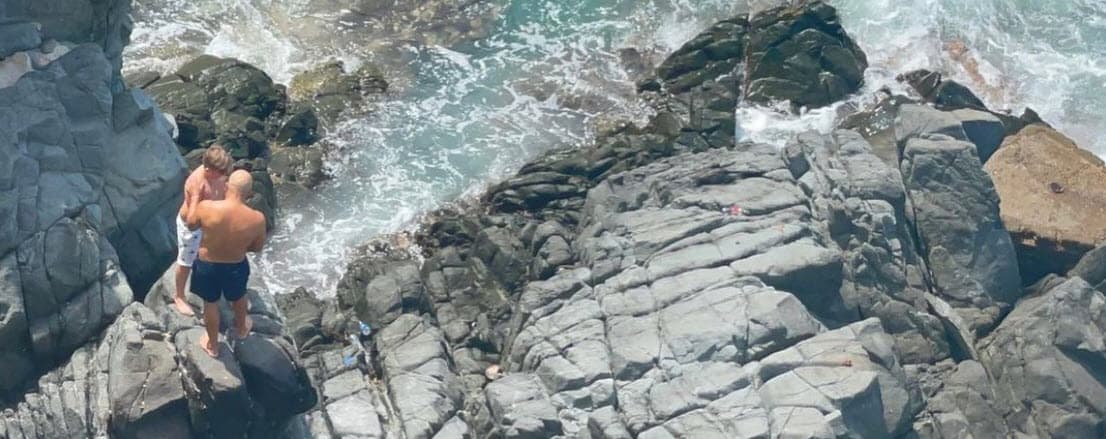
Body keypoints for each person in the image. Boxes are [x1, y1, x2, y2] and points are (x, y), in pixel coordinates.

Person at [185, 170, 267, 358]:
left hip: (207, 263)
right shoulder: (257, 219)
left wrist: (196, 197)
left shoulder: (207, 207)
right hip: (235, 265)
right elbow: (257, 247)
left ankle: (213, 345)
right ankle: (241, 328)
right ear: (248, 193)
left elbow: (190, 224)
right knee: (239, 296)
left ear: (228, 186)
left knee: (210, 303)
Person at [174, 145, 233, 316]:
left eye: (225, 171)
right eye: (221, 172)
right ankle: (179, 296)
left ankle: (219, 286)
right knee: (186, 261)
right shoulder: (197, 183)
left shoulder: (220, 172)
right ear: (208, 170)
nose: (224, 175)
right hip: (191, 226)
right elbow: (192, 220)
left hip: (210, 221)